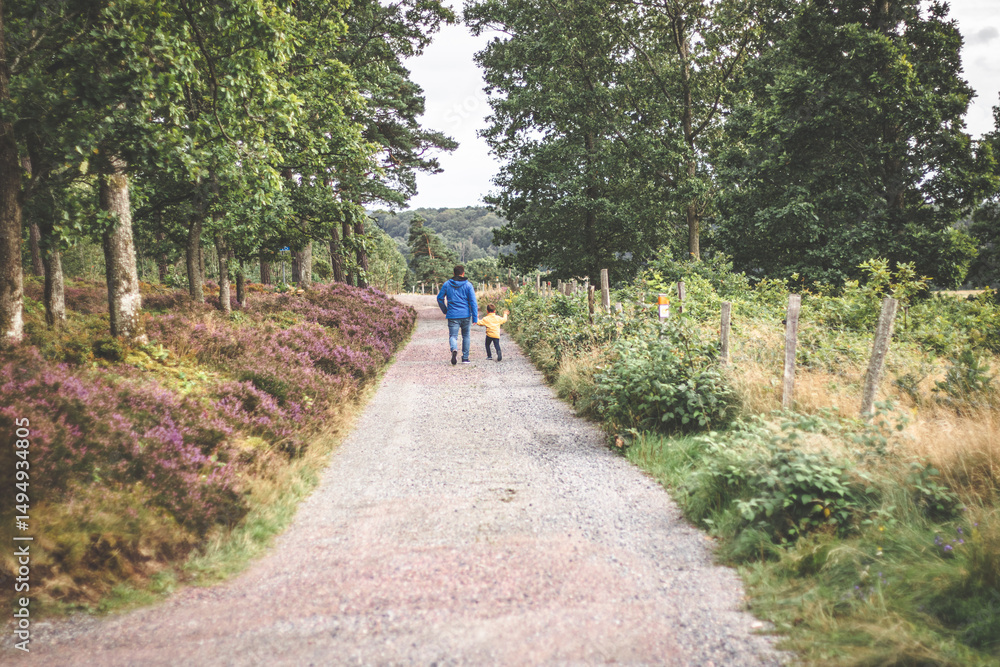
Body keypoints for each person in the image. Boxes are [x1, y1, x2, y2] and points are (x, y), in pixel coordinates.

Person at [437, 265, 479, 365]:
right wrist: (475, 317)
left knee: (453, 336)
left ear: (454, 273)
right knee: (466, 336)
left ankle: (454, 349)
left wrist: (445, 310)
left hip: (452, 315)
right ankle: (465, 358)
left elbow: (439, 298)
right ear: (463, 273)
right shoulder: (468, 285)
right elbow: (473, 302)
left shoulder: (447, 284)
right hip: (466, 315)